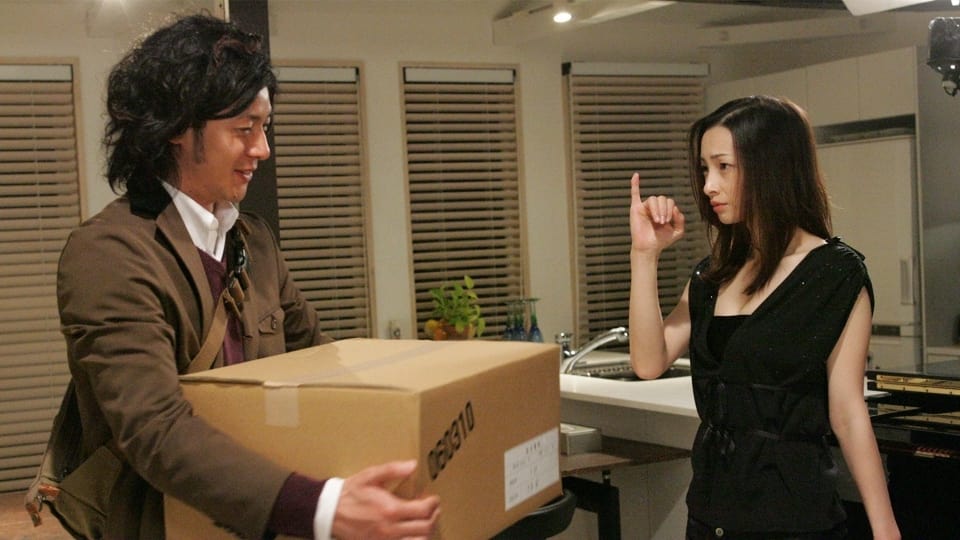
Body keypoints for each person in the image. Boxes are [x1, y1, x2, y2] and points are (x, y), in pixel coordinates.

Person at [25, 13, 439, 540]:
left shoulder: (254, 241)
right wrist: (320, 507)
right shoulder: (111, 253)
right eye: (244, 129)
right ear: (177, 129)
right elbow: (154, 429)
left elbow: (320, 362)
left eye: (264, 127)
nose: (262, 149)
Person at [627, 95, 900, 539]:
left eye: (724, 167)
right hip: (710, 518)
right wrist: (644, 255)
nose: (709, 185)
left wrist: (886, 529)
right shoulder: (713, 273)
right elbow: (647, 362)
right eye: (704, 169)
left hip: (794, 522)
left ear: (771, 167)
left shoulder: (835, 273)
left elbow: (848, 413)